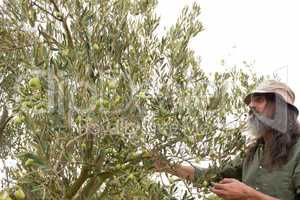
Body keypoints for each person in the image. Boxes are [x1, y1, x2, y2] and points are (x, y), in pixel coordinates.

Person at [154, 80, 300, 200]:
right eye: (250, 102)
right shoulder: (253, 153)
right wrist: (165, 165)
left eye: (259, 100)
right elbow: (212, 176)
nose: (250, 106)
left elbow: (246, 193)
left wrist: (250, 194)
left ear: (280, 108)